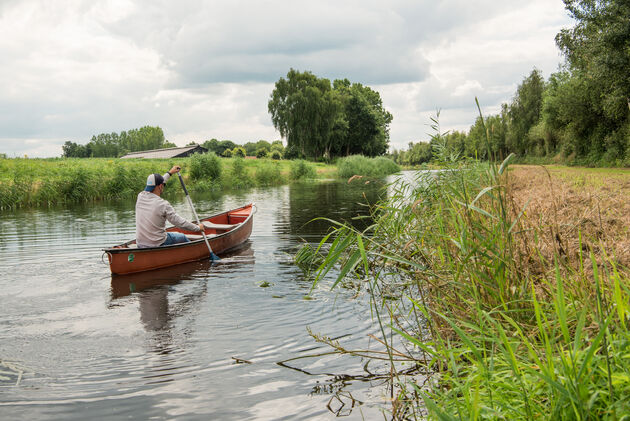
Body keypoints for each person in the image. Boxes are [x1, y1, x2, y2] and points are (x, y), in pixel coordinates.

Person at [135, 165, 204, 248]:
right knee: (181, 237)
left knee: (174, 235)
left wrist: (170, 173)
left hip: (140, 243)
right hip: (158, 243)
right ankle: (194, 251)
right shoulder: (163, 204)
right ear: (160, 186)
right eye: (163, 185)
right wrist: (197, 228)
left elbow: (160, 182)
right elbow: (179, 222)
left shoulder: (140, 196)